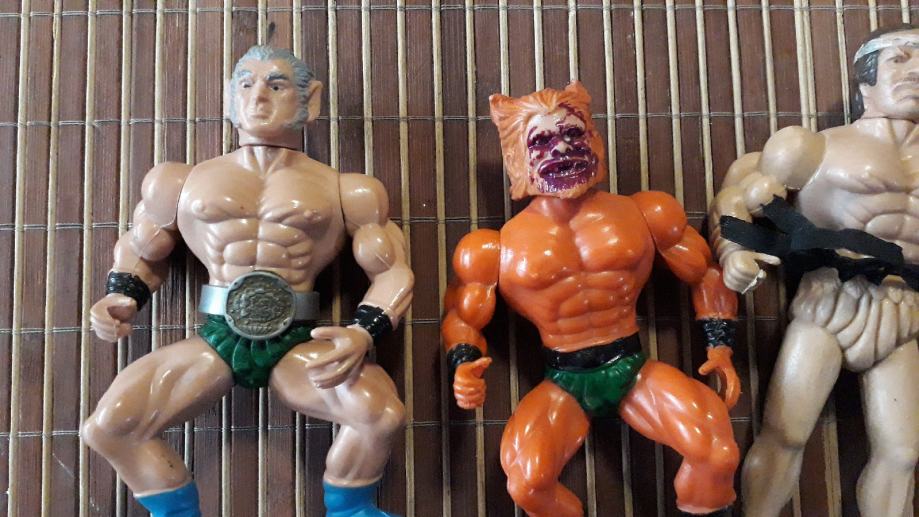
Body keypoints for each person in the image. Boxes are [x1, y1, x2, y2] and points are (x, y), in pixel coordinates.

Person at [83, 46, 413, 517]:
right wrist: (122, 295)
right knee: (108, 428)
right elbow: (142, 250)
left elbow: (392, 271)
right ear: (230, 96)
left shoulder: (349, 190)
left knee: (381, 415)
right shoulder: (177, 182)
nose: (258, 96)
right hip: (217, 336)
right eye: (246, 83)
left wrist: (363, 332)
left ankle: (351, 511)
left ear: (310, 101)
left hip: (298, 340)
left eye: (276, 85)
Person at [442, 81, 741, 517]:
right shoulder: (492, 249)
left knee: (717, 453)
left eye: (572, 133)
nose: (562, 148)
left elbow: (706, 272)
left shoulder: (646, 213)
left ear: (593, 138)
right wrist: (463, 364)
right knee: (527, 483)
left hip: (633, 366)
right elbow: (463, 318)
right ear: (518, 156)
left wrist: (720, 344)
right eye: (542, 141)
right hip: (564, 379)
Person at [709, 24, 919, 517]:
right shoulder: (814, 147)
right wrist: (732, 251)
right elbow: (739, 191)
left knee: (903, 453)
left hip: (905, 307)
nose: (915, 72)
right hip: (828, 298)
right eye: (899, 59)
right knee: (785, 433)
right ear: (865, 81)